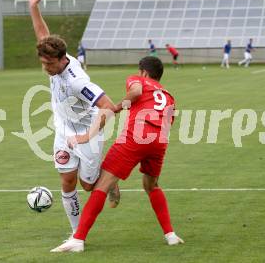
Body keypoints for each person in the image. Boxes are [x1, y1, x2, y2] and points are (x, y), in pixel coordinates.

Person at [50, 56, 184, 252]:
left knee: (102, 185)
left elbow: (136, 92)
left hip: (136, 136)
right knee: (152, 185)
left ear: (144, 72)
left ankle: (78, 239)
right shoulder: (169, 95)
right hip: (160, 141)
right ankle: (170, 235)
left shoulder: (138, 79)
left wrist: (117, 108)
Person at [28, 0, 120, 239]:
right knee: (67, 183)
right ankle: (76, 233)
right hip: (64, 132)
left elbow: (108, 108)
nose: (45, 68)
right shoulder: (54, 58)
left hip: (87, 133)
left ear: (61, 59)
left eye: (49, 64)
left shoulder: (78, 82)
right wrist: (33, 7)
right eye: (43, 63)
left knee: (88, 185)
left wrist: (86, 136)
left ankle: (110, 180)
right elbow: (42, 35)